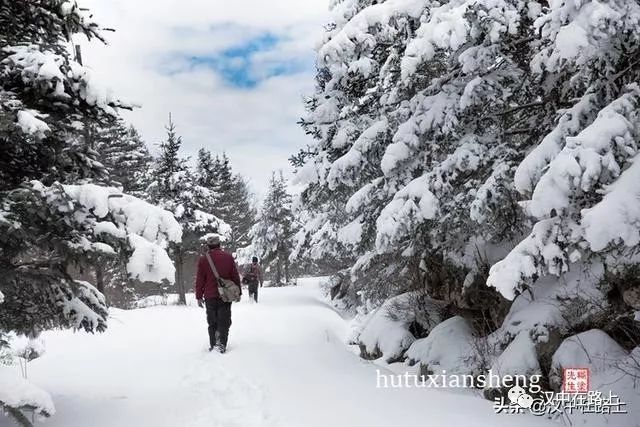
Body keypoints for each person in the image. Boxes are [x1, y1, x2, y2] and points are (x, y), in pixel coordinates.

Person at [195, 234, 241, 353]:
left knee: (212, 321)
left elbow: (200, 279)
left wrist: (199, 296)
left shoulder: (203, 259)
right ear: (219, 244)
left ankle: (213, 343)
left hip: (210, 296)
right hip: (225, 295)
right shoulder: (228, 257)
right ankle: (222, 344)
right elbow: (235, 276)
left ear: (208, 245)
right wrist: (238, 292)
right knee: (224, 320)